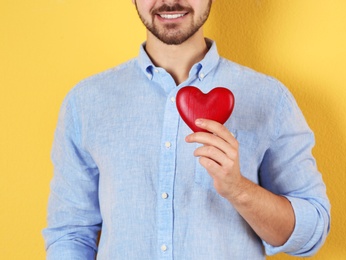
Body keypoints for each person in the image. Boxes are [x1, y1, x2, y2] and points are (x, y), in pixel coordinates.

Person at [43, 0, 330, 259]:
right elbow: (70, 233)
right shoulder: (86, 102)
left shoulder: (269, 99)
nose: (169, 1)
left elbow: (311, 232)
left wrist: (239, 190)